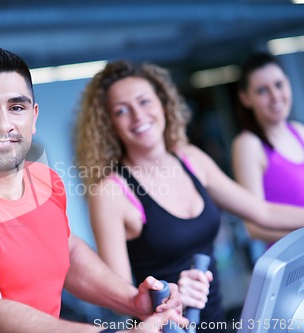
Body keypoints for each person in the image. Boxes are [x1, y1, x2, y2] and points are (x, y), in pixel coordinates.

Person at [0, 47, 188, 333]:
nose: (3, 124)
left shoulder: (45, 181)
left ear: (33, 117)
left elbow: (67, 250)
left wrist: (131, 300)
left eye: (16, 107)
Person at [74, 60, 304, 332]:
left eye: (144, 102)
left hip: (217, 321)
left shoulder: (191, 159)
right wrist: (167, 295)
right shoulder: (110, 192)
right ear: (109, 123)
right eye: (122, 111)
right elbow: (117, 296)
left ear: (162, 103)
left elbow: (262, 212)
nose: (138, 116)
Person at [231, 52, 304, 244]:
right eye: (262, 90)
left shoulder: (299, 131)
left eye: (279, 85)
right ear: (246, 98)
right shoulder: (248, 145)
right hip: (294, 266)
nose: (275, 96)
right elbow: (254, 227)